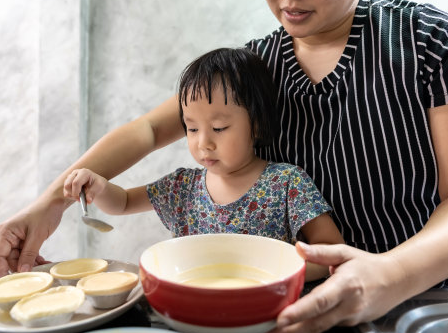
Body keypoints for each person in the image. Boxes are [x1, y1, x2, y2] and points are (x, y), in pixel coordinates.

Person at [0, 0, 448, 333]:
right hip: (298, 309)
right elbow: (148, 130)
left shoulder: (431, 43)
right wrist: (50, 203)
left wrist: (389, 275)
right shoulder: (255, 69)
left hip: (428, 304)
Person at [62, 48, 344, 281]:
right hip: (191, 308)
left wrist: (274, 274)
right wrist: (98, 187)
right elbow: (123, 203)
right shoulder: (182, 187)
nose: (203, 143)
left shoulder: (285, 183)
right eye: (192, 128)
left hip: (262, 311)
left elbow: (332, 251)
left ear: (256, 125)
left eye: (219, 128)